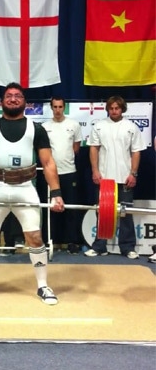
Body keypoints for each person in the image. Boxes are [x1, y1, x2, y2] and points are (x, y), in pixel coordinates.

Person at [0, 82, 65, 305]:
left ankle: (43, 286)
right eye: (9, 96)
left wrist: (56, 193)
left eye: (18, 96)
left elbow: (47, 163)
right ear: (2, 102)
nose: (13, 99)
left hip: (26, 188)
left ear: (25, 102)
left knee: (35, 238)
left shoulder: (36, 129)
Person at [84, 95, 146, 259]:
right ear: (108, 109)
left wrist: (133, 173)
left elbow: (136, 152)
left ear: (122, 109)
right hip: (105, 178)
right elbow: (93, 149)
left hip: (125, 177)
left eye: (117, 108)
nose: (114, 111)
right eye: (111, 108)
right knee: (102, 213)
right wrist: (95, 171)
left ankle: (128, 248)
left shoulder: (131, 127)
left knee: (125, 212)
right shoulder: (99, 126)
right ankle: (99, 247)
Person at [42, 97, 83, 254]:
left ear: (64, 107)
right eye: (55, 107)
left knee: (71, 208)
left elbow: (76, 148)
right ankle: (48, 241)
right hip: (50, 174)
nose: (58, 110)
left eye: (60, 107)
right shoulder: (45, 127)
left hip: (69, 172)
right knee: (50, 208)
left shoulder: (74, 125)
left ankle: (72, 242)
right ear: (51, 108)